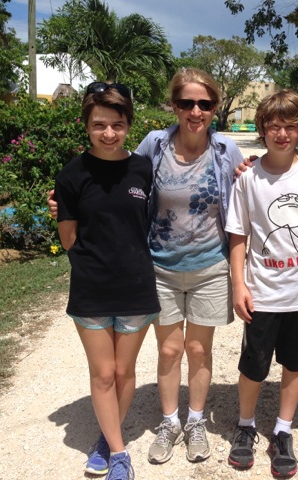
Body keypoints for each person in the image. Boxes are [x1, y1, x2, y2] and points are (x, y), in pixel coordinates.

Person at [49, 68, 243, 465]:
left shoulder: (227, 151)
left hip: (209, 265)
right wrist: (65, 205)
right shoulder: (154, 146)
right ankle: (169, 421)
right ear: (173, 105)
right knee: (169, 349)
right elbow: (118, 180)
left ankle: (195, 421)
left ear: (214, 108)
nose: (195, 110)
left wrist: (256, 172)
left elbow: (242, 200)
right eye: (186, 102)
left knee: (198, 349)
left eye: (205, 104)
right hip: (159, 265)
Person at [55, 81, 160, 480]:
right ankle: (117, 452)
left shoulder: (142, 168)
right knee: (102, 373)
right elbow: (69, 237)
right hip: (92, 288)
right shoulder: (71, 175)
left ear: (128, 124)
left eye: (117, 124)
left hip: (136, 287)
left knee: (123, 372)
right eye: (100, 124)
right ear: (87, 125)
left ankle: (106, 434)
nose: (109, 133)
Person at [225, 89, 298, 478]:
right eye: (274, 126)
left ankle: (283, 430)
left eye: (290, 126)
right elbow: (238, 236)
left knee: (296, 362)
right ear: (263, 130)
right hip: (264, 290)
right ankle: (246, 424)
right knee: (254, 364)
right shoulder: (248, 178)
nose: (282, 134)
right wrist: (239, 284)